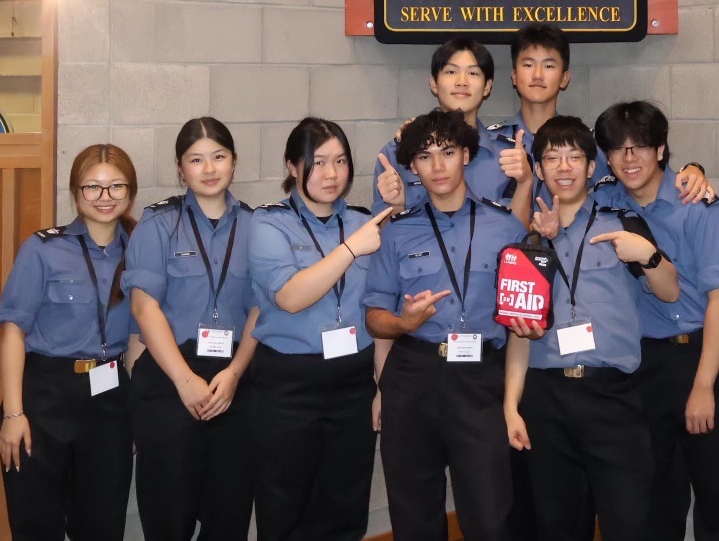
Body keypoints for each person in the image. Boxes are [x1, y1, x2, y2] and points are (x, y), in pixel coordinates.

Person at [502, 115, 681, 540]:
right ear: (539, 168)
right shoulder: (524, 239)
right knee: (558, 526)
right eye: (552, 158)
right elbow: (518, 336)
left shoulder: (622, 222)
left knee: (629, 521)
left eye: (574, 157)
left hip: (612, 396)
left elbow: (671, 292)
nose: (563, 167)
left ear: (590, 166)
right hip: (547, 399)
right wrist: (511, 406)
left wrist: (648, 255)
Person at [361, 108, 536, 541]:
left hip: (480, 380)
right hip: (414, 376)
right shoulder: (396, 232)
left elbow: (521, 324)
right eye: (424, 156)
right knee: (414, 513)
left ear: (466, 156)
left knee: (489, 512)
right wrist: (403, 323)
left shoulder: (506, 227)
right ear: (412, 167)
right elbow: (373, 317)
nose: (437, 166)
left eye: (447, 152)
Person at [592, 101, 719, 541]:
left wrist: (702, 387)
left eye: (640, 146)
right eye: (618, 149)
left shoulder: (699, 206)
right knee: (656, 498)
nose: (629, 159)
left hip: (711, 356)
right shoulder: (603, 202)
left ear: (661, 149)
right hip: (648, 364)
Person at [246, 118, 393, 541]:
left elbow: (377, 307)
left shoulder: (365, 222)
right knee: (285, 506)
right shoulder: (269, 222)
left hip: (353, 381)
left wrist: (382, 385)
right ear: (293, 167)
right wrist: (351, 249)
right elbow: (290, 297)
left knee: (346, 504)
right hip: (289, 384)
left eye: (341, 161)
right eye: (319, 162)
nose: (332, 174)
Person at [122, 117, 258, 541]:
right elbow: (145, 308)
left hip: (234, 380)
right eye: (196, 159)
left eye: (218, 156)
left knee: (228, 521)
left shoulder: (257, 226)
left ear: (234, 162)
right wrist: (184, 380)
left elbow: (261, 309)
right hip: (169, 380)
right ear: (181, 168)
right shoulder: (158, 224)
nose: (209, 168)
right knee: (168, 520)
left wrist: (234, 374)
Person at [0, 143, 138, 541]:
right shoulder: (43, 248)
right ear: (75, 193)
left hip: (110, 401)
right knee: (36, 525)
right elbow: (13, 333)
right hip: (44, 398)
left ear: (130, 192)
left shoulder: (141, 253)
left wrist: (135, 416)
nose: (105, 197)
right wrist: (13, 413)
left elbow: (140, 340)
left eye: (116, 187)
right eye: (92, 187)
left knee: (102, 526)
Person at [484, 23, 713, 207]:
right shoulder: (489, 143)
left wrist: (692, 170)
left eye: (549, 66)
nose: (537, 75)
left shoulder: (592, 143)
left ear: (565, 78)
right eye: (528, 64)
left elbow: (641, 174)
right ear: (514, 75)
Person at [370, 38, 516, 217]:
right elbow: (381, 236)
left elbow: (520, 231)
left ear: (487, 86)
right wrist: (395, 208)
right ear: (433, 83)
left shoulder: (509, 157)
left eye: (473, 73)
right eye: (451, 71)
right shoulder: (396, 153)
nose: (462, 82)